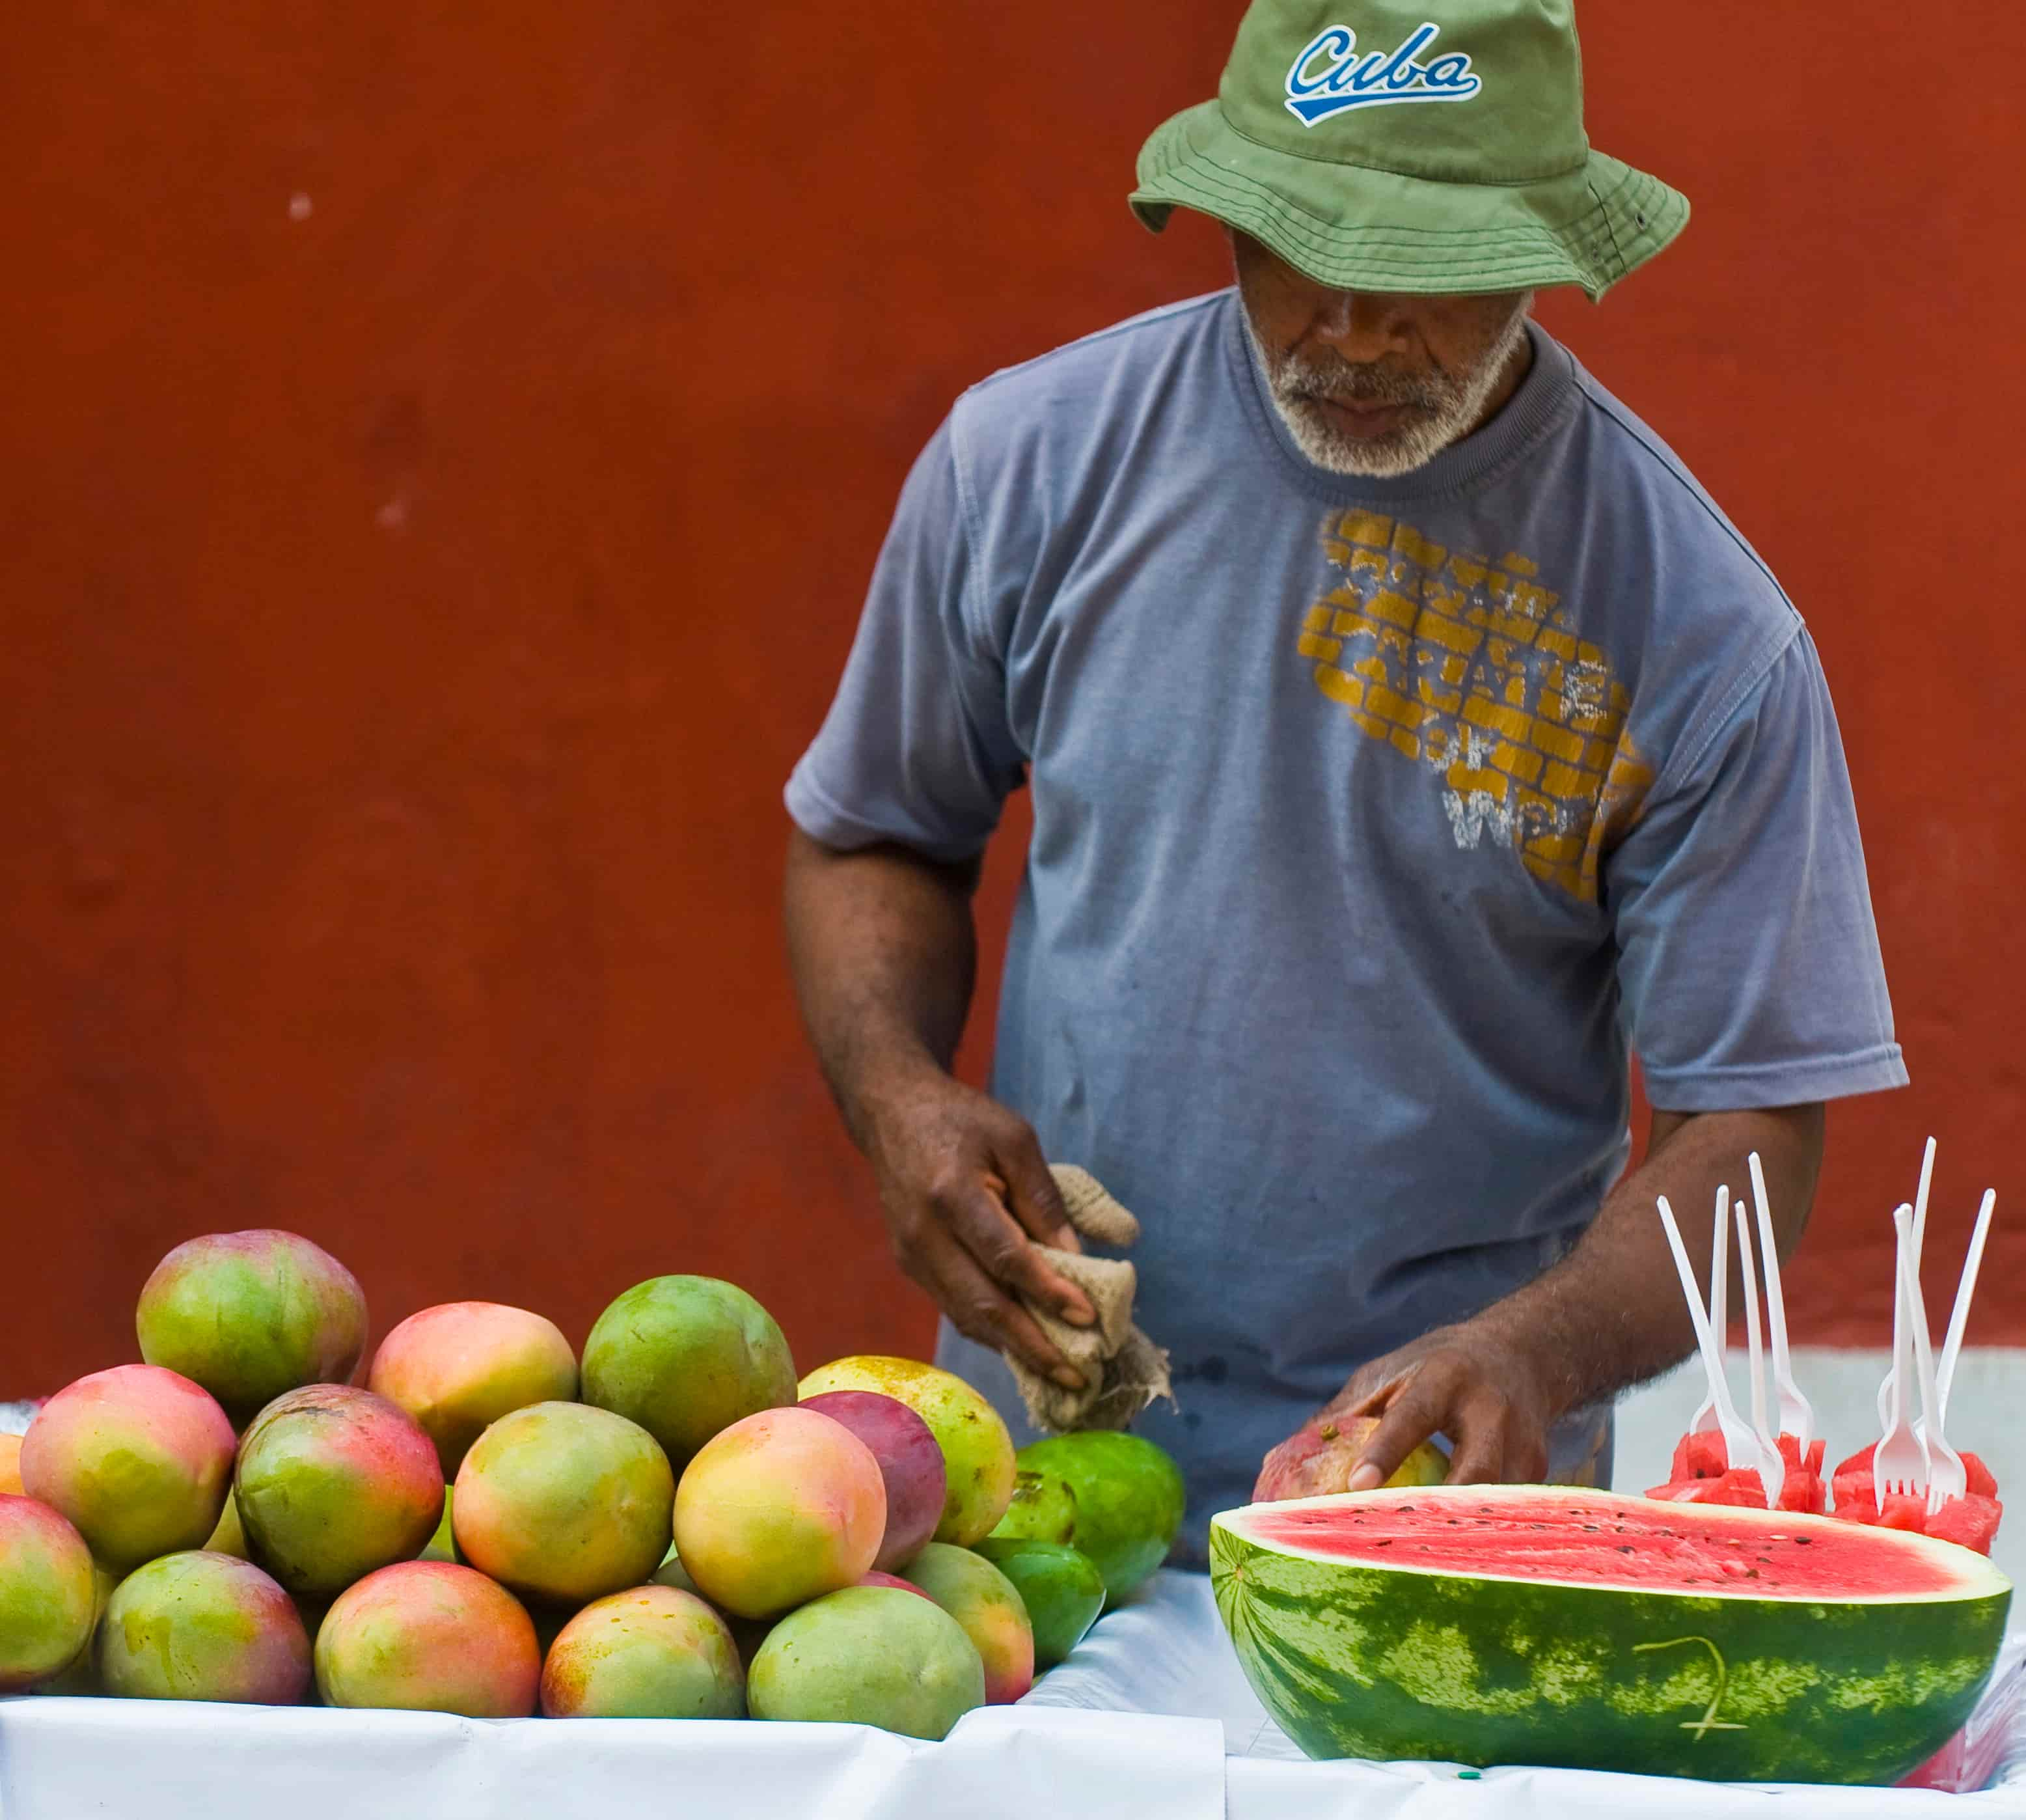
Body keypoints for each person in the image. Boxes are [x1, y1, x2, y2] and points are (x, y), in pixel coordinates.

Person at [780, 0, 1905, 1559]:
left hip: (1445, 1510)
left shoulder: (1697, 626)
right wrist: (901, 1102)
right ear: (1229, 210)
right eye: (1304, 250)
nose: (1361, 332)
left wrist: (1535, 1354)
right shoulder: (1028, 465)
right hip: (1022, 1484)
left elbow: (1751, 1131)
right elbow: (877, 836)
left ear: (1537, 248)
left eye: (1432, 279)